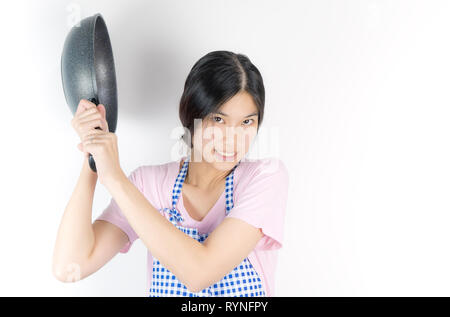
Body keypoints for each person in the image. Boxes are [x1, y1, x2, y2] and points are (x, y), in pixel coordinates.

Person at [52, 50, 289, 297]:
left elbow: (199, 273)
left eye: (247, 123)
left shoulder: (264, 178)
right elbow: (70, 266)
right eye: (218, 119)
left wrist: (115, 178)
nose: (233, 140)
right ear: (191, 113)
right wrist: (94, 156)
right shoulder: (149, 185)